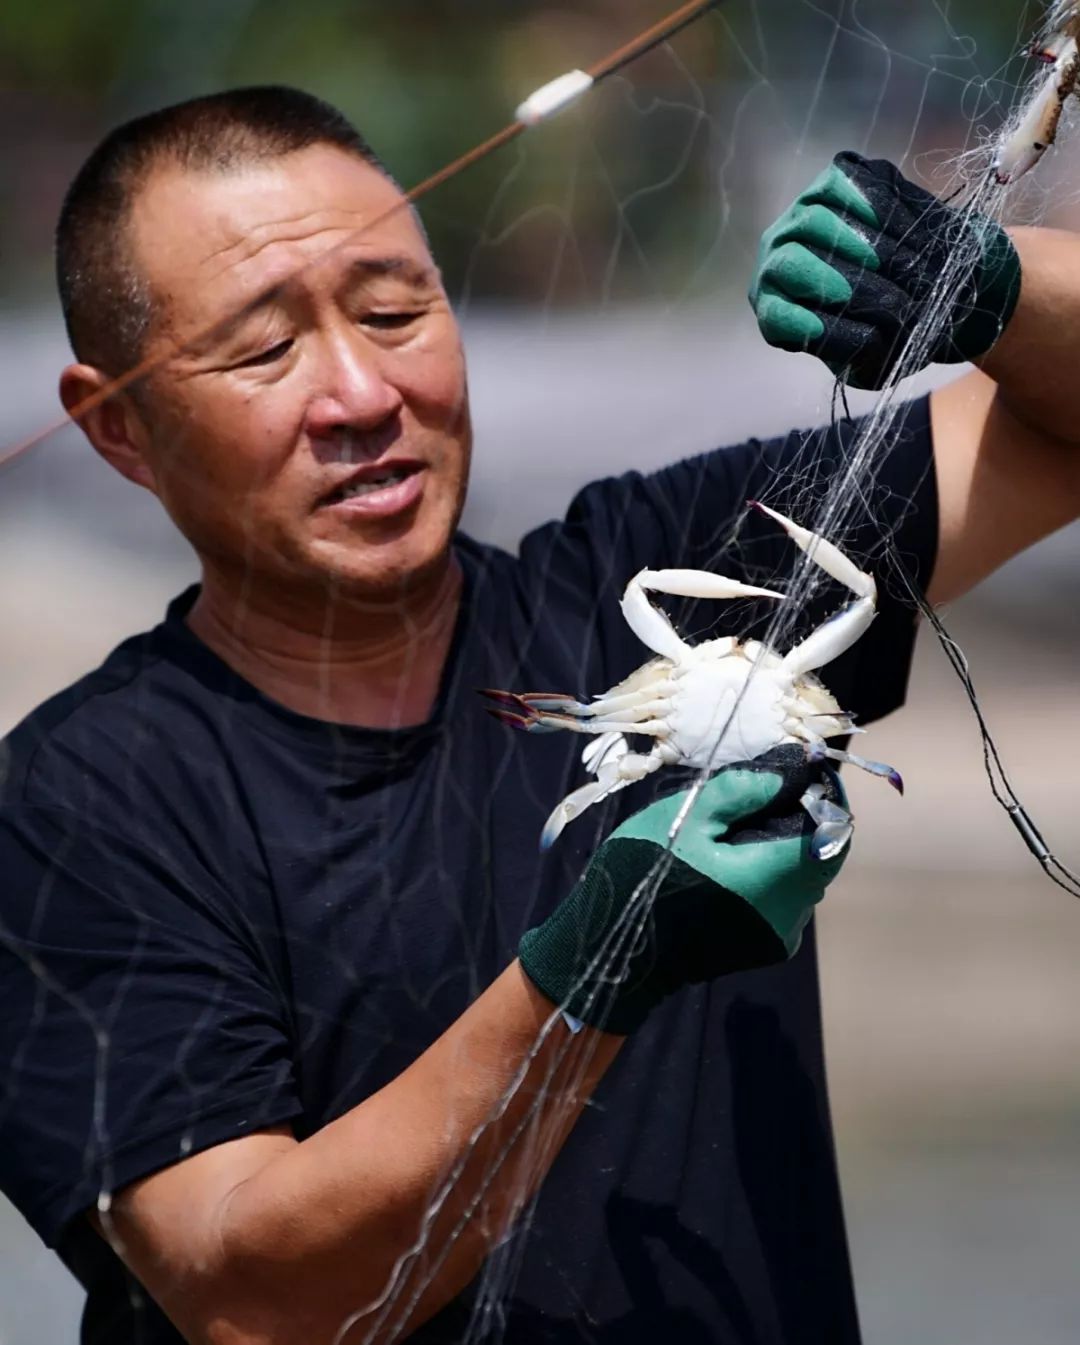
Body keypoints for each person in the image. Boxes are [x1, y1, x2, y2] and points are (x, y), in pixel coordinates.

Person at [1, 86, 1078, 1345]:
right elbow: (250, 1301)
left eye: (397, 311)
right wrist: (593, 966)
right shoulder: (72, 806)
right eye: (261, 349)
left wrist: (988, 286)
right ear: (117, 426)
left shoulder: (671, 576)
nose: (360, 392)